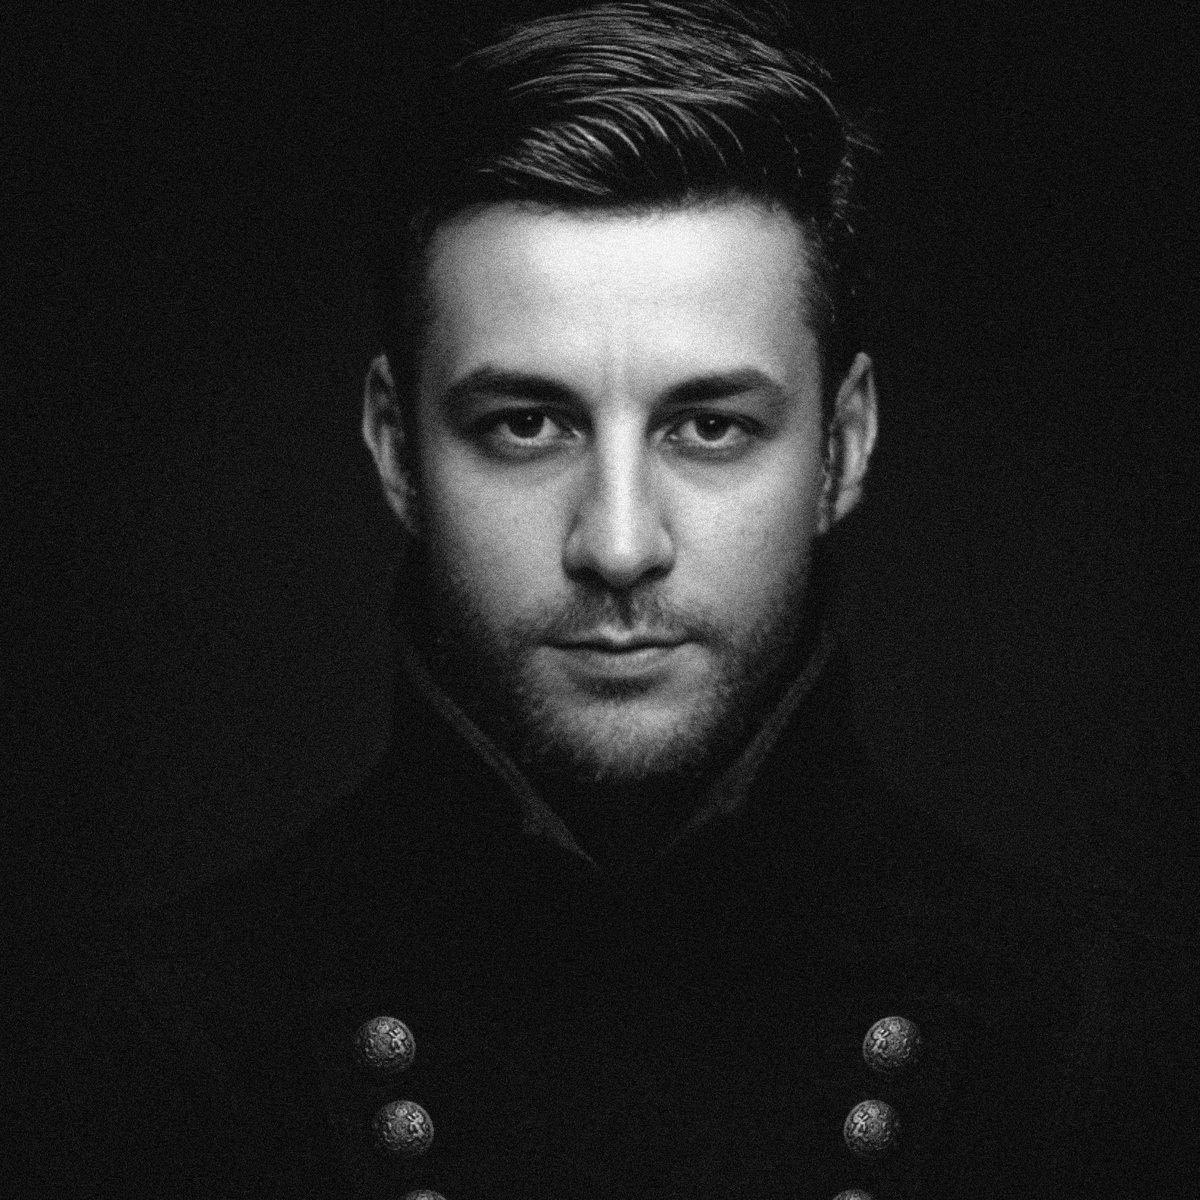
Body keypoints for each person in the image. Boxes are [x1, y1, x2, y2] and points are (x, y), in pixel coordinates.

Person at [15, 3, 1192, 1197]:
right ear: (394, 447)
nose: (619, 545)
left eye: (710, 426)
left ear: (843, 447)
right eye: (527, 424)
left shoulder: (1119, 1055)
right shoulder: (124, 1065)